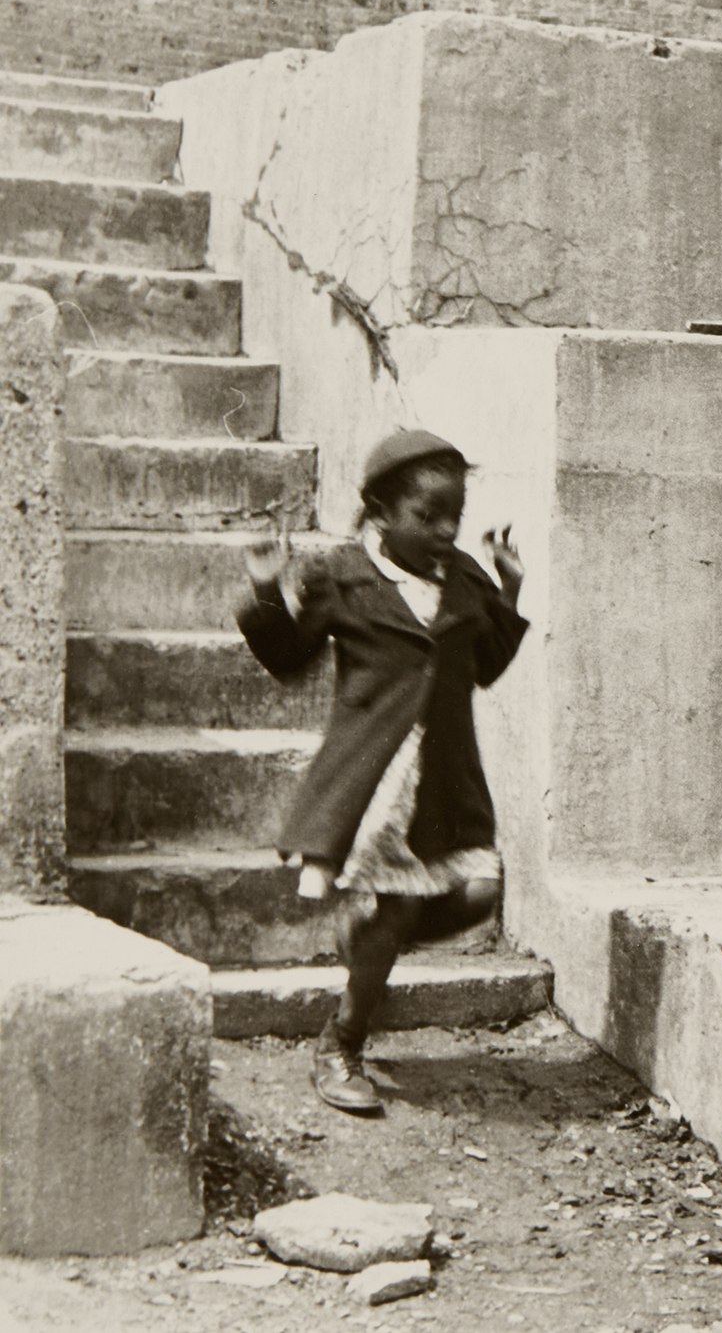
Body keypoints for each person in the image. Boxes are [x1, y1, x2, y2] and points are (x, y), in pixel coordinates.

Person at [238, 431, 529, 1115]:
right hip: (376, 784)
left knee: (481, 895)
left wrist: (510, 590)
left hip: (446, 782)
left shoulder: (464, 577)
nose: (446, 529)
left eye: (454, 513)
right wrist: (265, 588)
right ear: (379, 512)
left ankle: (374, 936)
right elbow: (286, 658)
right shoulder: (341, 576)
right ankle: (341, 1044)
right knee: (398, 903)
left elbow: (483, 666)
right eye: (426, 516)